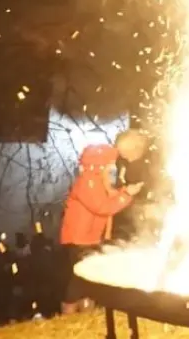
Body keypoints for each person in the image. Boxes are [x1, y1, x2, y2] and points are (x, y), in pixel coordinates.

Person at [59, 132, 146, 314]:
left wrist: (125, 191)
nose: (111, 166)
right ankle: (68, 315)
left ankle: (86, 313)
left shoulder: (97, 180)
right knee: (79, 279)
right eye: (108, 164)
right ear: (98, 164)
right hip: (78, 238)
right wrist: (127, 195)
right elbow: (102, 207)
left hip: (88, 237)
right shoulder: (88, 181)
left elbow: (109, 197)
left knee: (86, 279)